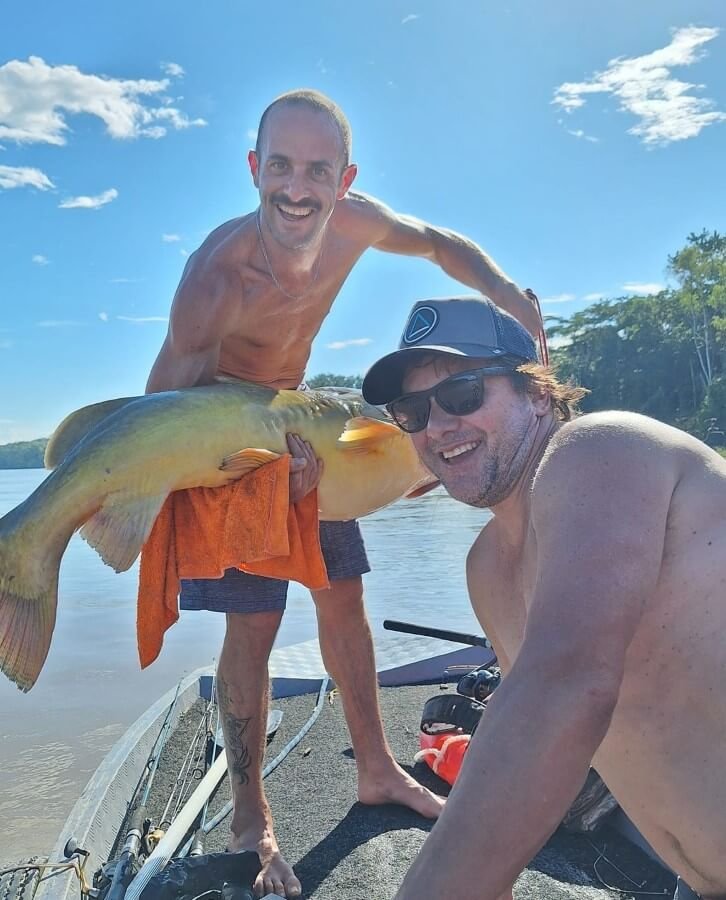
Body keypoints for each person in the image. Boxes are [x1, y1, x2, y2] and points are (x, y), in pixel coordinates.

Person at [146, 90, 541, 898]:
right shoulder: (215, 277)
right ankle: (250, 813)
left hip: (302, 426)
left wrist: (509, 295)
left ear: (344, 178)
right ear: (255, 169)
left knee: (343, 597)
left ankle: (376, 768)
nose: (298, 187)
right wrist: (153, 503)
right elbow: (161, 408)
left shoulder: (357, 223)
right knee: (254, 624)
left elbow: (439, 245)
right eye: (281, 166)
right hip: (229, 443)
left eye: (317, 170)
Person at [361, 294, 726, 900]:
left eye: (463, 394)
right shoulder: (489, 568)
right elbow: (521, 740)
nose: (437, 426)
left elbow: (567, 679)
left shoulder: (603, 448)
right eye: (412, 410)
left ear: (538, 392)